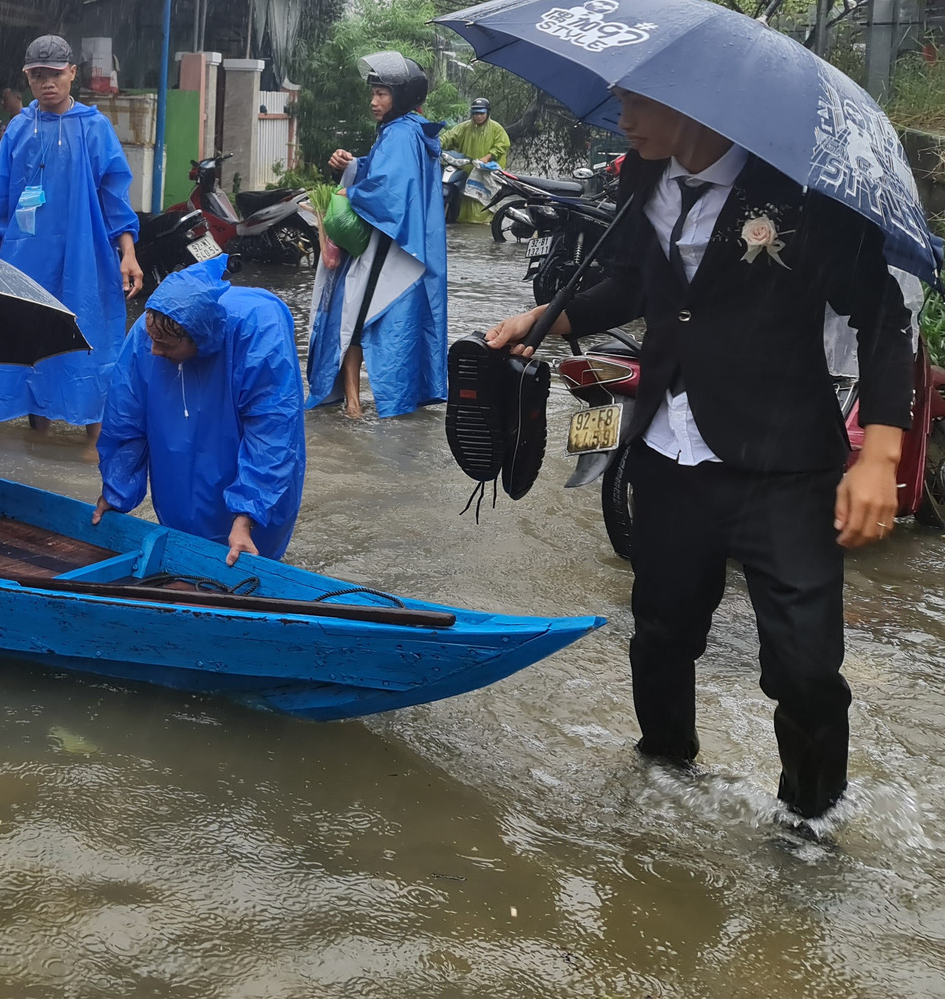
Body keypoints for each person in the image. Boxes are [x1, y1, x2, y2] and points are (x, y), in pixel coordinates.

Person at [484, 88, 910, 822]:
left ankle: (810, 821)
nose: (623, 120)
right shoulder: (639, 177)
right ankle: (665, 773)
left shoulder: (802, 195)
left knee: (806, 667)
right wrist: (547, 319)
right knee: (660, 631)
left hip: (781, 462)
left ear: (701, 109)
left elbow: (881, 317)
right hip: (664, 449)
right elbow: (634, 283)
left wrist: (879, 457)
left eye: (639, 105)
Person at [0, 35, 142, 443]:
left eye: (55, 74)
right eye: (38, 76)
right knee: (31, 341)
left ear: (72, 73)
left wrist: (129, 254)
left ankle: (93, 444)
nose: (47, 83)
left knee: (93, 339)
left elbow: (114, 197)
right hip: (27, 258)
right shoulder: (18, 129)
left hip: (86, 257)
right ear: (28, 80)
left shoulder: (94, 128)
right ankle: (40, 439)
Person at [93, 258, 306, 564]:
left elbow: (271, 436)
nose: (155, 351)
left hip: (238, 452)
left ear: (201, 336)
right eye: (153, 341)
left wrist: (246, 518)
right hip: (177, 467)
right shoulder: (150, 330)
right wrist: (115, 493)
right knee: (186, 551)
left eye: (166, 346)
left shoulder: (258, 332)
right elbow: (125, 420)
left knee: (248, 562)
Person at [306, 52, 448, 420]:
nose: (374, 101)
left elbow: (389, 192)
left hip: (384, 248)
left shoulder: (400, 134)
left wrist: (347, 192)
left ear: (401, 97)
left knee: (352, 317)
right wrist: (354, 165)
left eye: (383, 93)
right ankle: (382, 404)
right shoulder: (412, 130)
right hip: (402, 248)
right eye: (373, 93)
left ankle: (354, 406)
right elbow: (386, 174)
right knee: (390, 323)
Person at [440, 96, 510, 170]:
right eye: (476, 113)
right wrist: (436, 143)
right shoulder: (464, 127)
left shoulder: (496, 128)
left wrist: (488, 157)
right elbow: (448, 137)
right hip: (467, 171)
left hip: (489, 172)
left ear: (487, 113)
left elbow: (503, 145)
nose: (479, 116)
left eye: (482, 113)